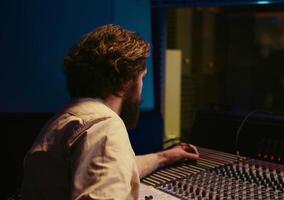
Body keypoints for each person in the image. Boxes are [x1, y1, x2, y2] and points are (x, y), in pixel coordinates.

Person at [21, 24, 199, 200]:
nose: (141, 94)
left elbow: (117, 167)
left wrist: (163, 157)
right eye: (141, 77)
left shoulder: (70, 117)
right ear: (125, 81)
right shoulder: (104, 127)